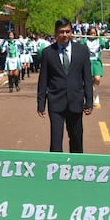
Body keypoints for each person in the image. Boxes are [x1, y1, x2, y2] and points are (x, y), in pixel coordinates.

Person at [37, 17, 93, 153]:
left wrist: (89, 102)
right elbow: (43, 79)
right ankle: (56, 169)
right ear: (56, 33)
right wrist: (40, 103)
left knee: (76, 138)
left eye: (68, 31)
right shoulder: (48, 53)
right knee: (56, 140)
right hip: (56, 102)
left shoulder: (82, 50)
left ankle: (76, 168)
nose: (65, 35)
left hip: (76, 101)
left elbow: (87, 78)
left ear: (72, 32)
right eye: (61, 32)